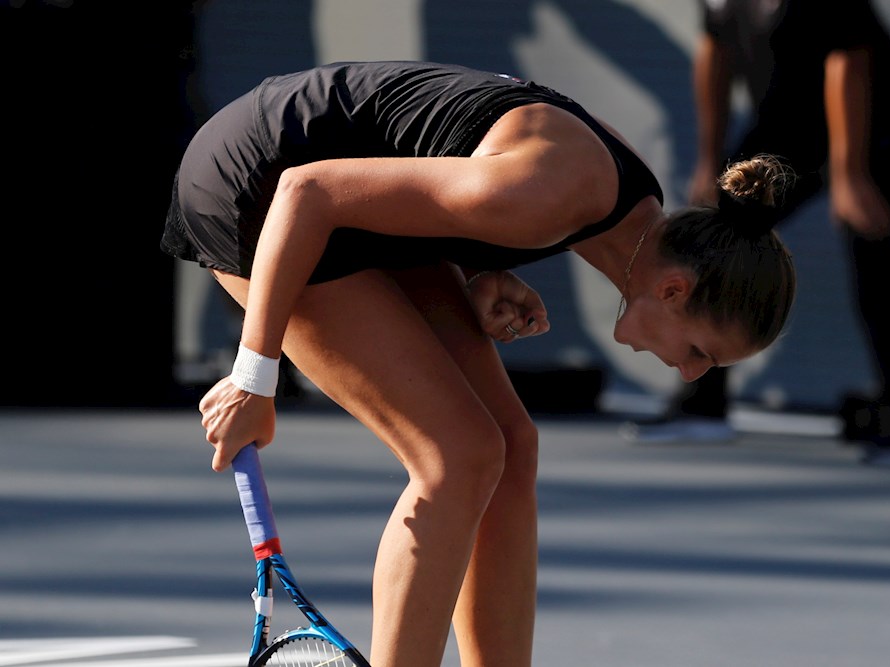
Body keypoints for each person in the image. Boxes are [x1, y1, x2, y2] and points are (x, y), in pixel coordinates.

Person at [161, 60, 796, 667]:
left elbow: (437, 152)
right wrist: (254, 376)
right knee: (456, 456)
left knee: (512, 448)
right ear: (674, 290)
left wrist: (478, 265)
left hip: (344, 205)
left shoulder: (626, 201)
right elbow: (308, 190)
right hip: (258, 183)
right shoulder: (541, 197)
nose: (691, 374)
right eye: (700, 354)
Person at [622, 0, 890, 465]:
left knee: (869, 244)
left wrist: (851, 174)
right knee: (721, 232)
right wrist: (709, 160)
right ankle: (702, 405)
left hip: (875, 119)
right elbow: (715, 52)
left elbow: (848, 60)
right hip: (789, 125)